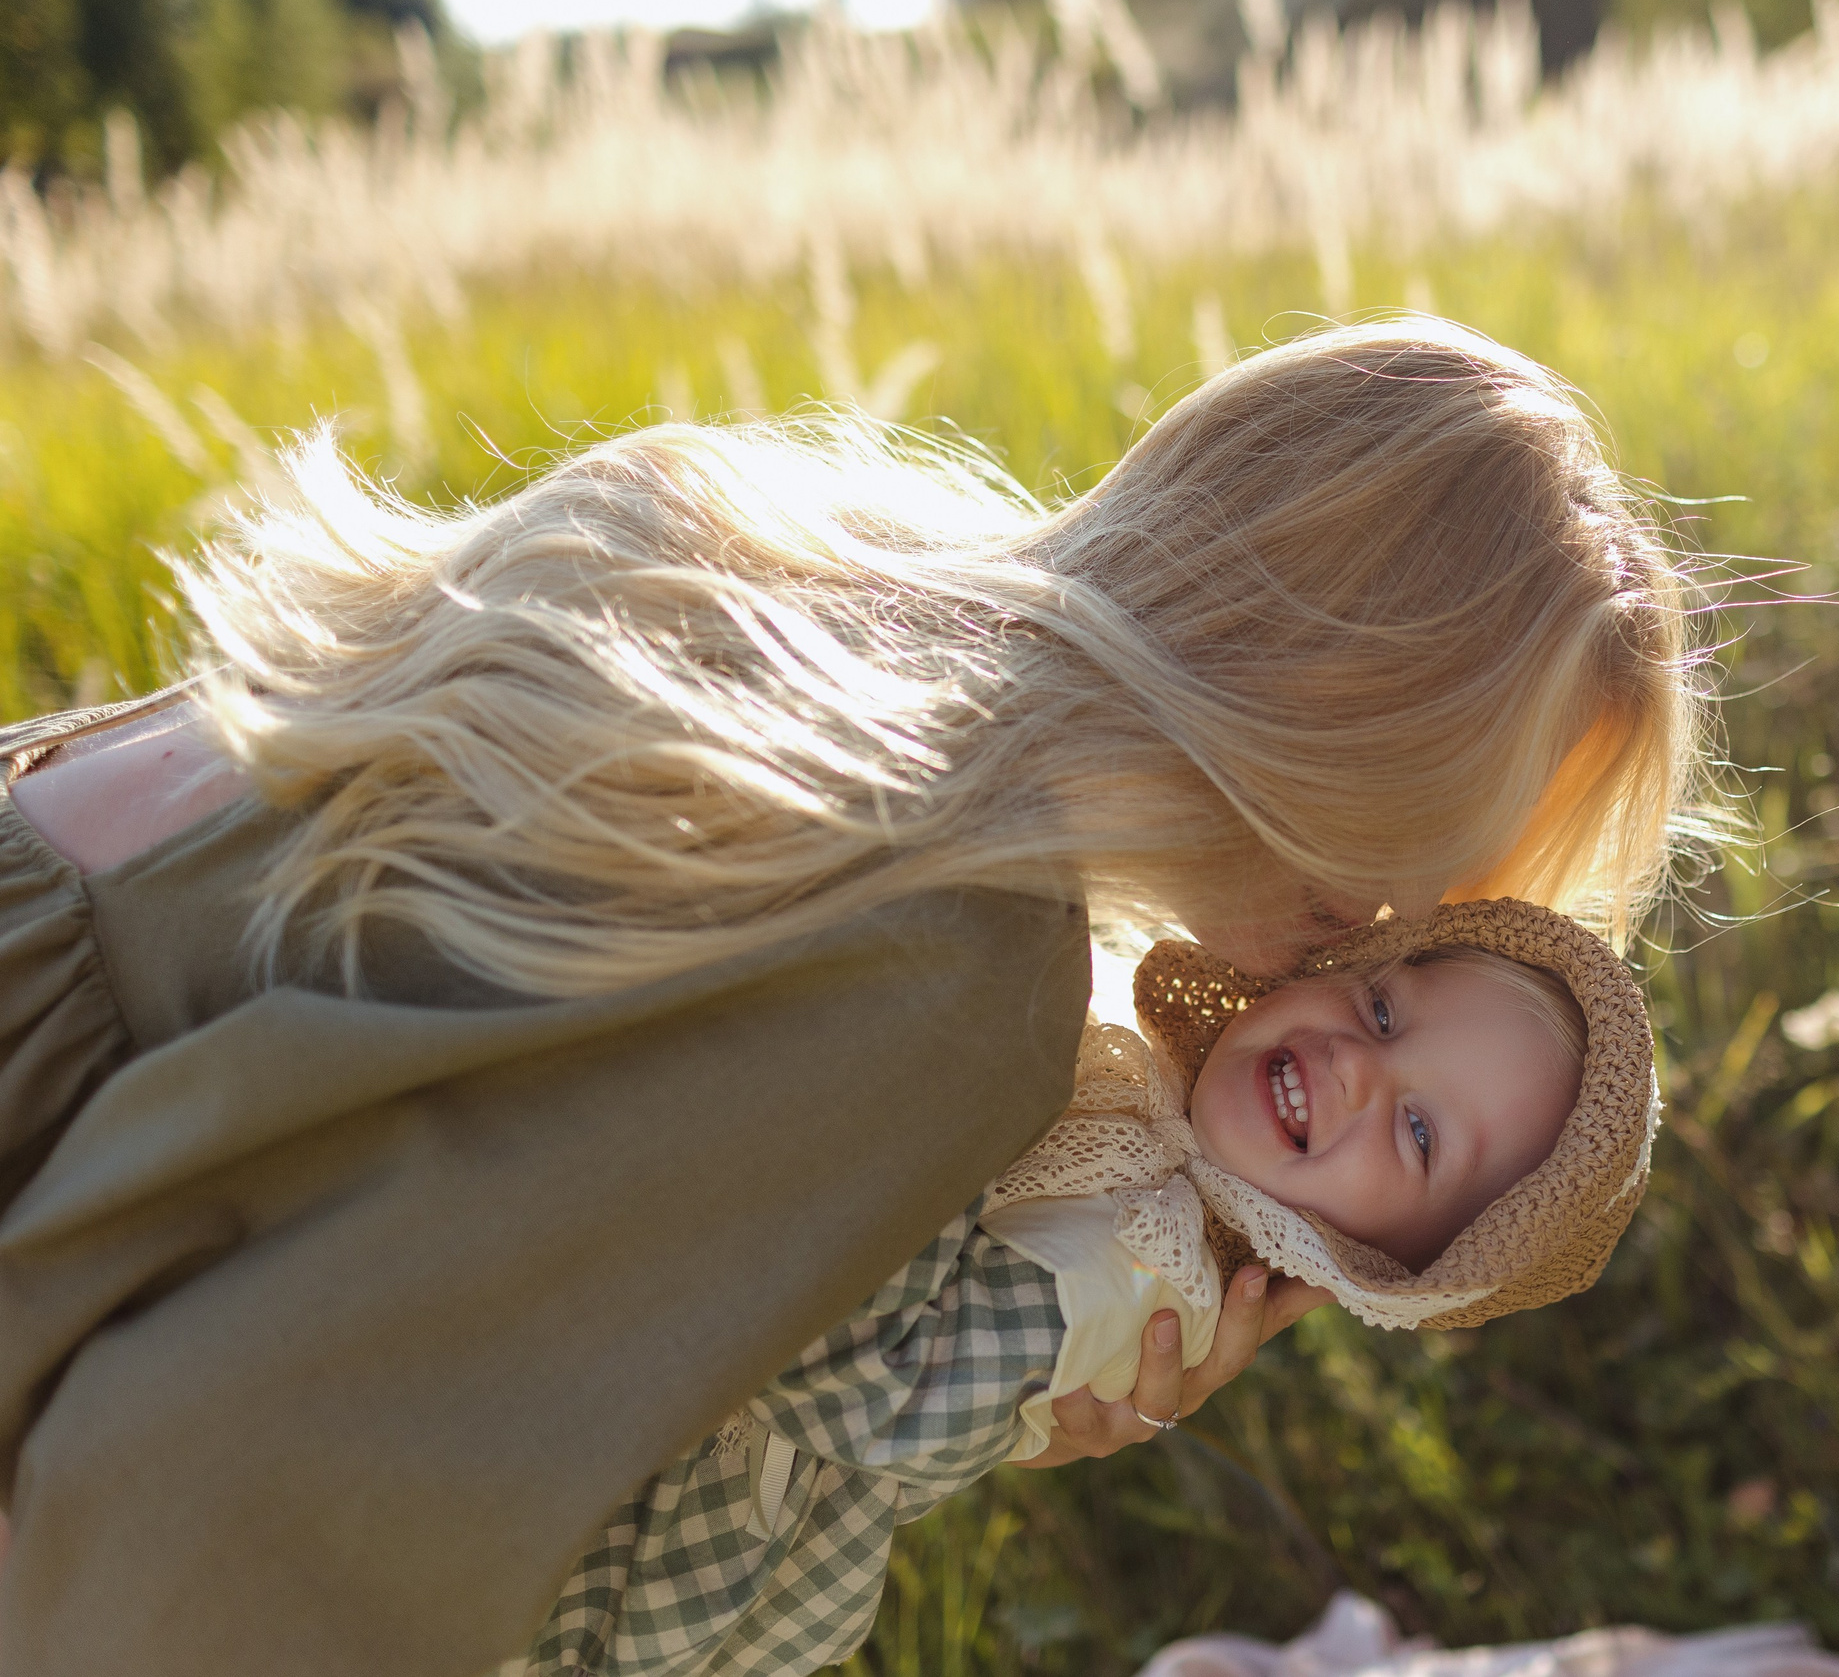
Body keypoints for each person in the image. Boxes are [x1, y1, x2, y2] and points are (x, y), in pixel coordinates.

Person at [0, 318, 1712, 1677]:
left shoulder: (846, 549)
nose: (1383, 934)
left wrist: (967, 1342)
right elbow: (243, 1492)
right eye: (1417, 894)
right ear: (1345, 721)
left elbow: (478, 1200)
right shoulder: (949, 961)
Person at [503, 899, 1656, 1677]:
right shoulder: (1137, 1109)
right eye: (1383, 1010)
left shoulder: (1148, 1267)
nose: (1357, 1065)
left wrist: (909, 1114)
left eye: (1414, 1132)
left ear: (1395, 1267)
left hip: (638, 1540)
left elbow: (888, 1388)